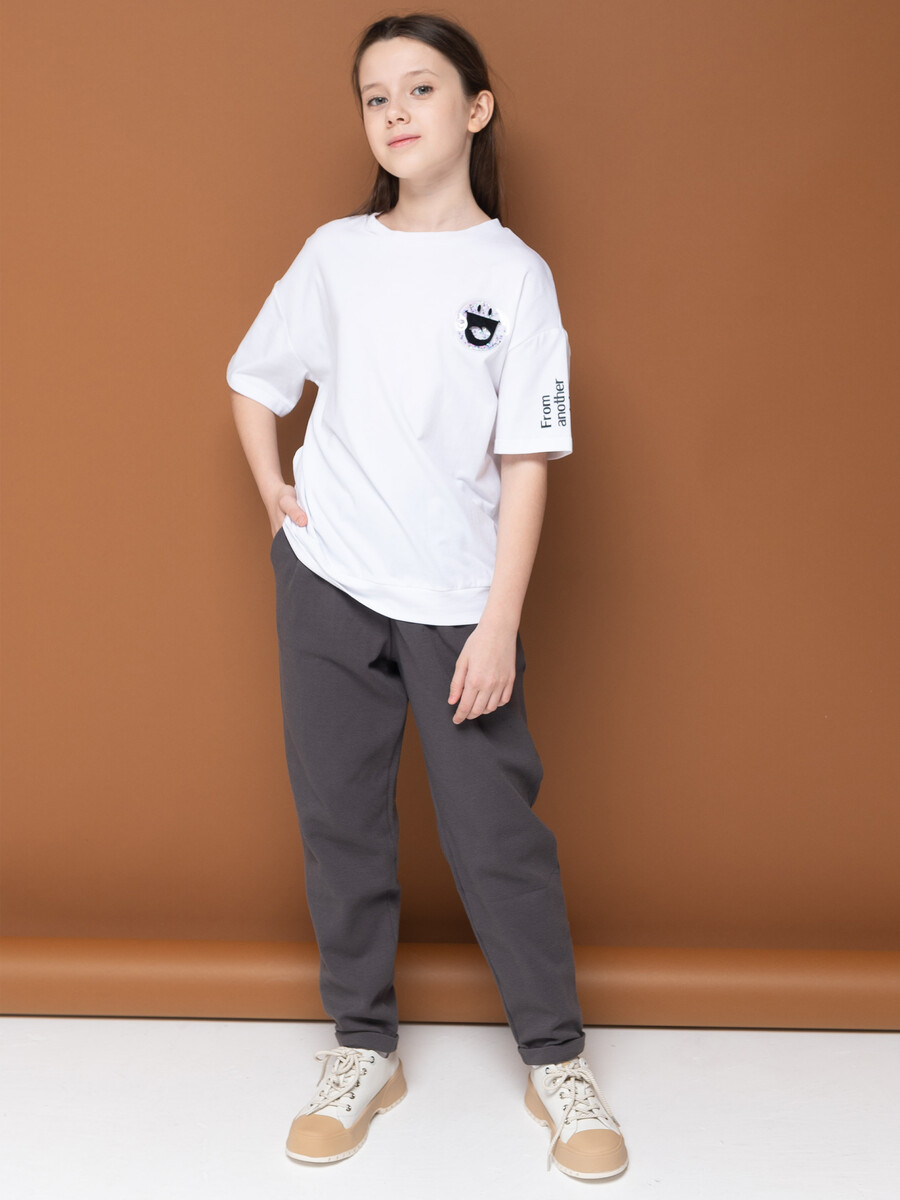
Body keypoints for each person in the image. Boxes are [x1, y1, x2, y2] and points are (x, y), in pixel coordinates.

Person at [226, 11, 628, 1182]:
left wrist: (500, 621)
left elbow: (527, 461)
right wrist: (275, 499)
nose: (395, 112)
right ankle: (362, 1048)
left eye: (421, 88)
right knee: (341, 825)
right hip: (329, 581)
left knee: (497, 838)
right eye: (375, 96)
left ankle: (557, 1061)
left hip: (459, 600)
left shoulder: (515, 275)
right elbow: (254, 381)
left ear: (475, 108)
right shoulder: (336, 254)